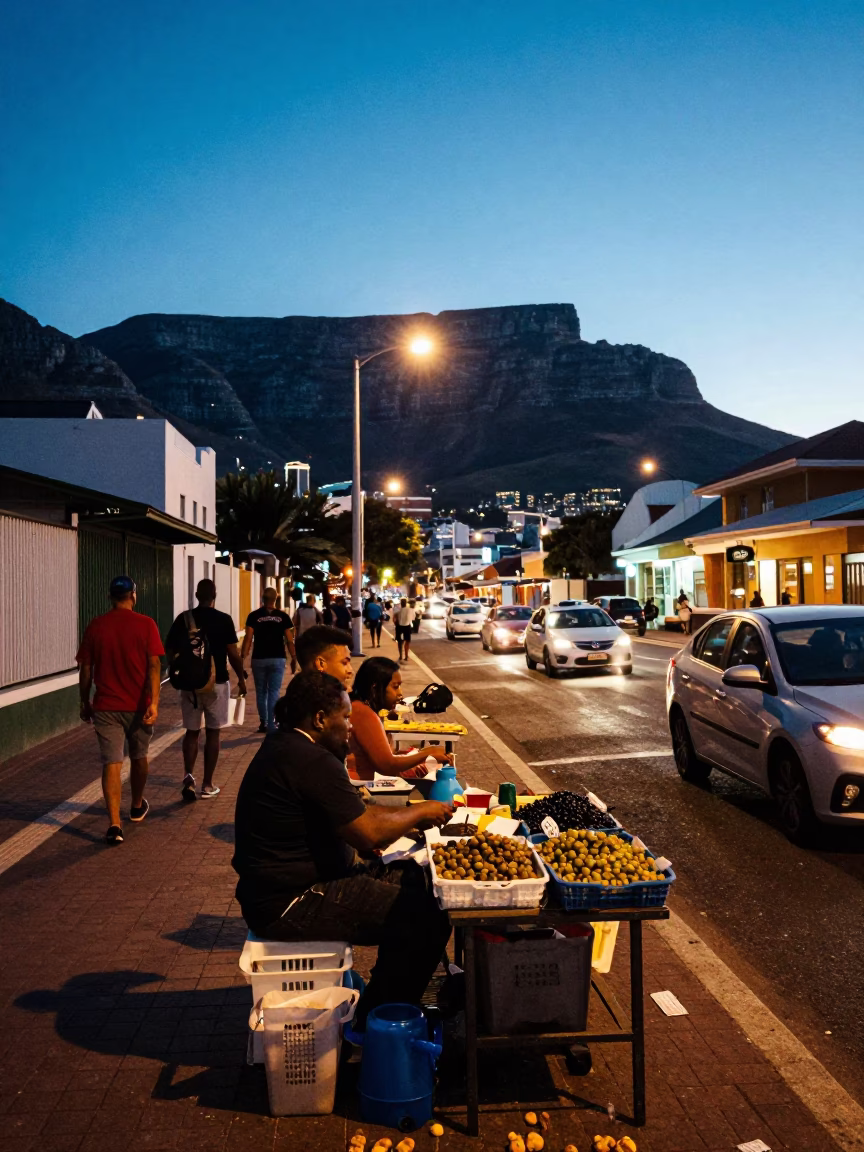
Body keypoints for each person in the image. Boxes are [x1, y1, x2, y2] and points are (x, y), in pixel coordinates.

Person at [232, 670, 453, 1027]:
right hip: (290, 900)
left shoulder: (289, 745)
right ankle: (379, 1020)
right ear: (320, 719)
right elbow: (367, 834)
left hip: (294, 886)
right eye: (345, 717)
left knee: (417, 879)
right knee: (425, 916)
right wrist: (421, 811)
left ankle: (387, 995)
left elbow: (357, 816)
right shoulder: (310, 759)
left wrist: (405, 821)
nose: (350, 727)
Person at [77, 576, 164, 845]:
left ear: (110, 597)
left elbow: (86, 669)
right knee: (139, 756)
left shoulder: (96, 626)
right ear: (133, 596)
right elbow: (154, 666)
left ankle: (114, 824)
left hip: (106, 706)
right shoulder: (147, 625)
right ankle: (136, 805)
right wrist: (154, 702)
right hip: (138, 706)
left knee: (112, 763)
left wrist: (84, 701)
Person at [166, 579, 246, 801]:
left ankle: (188, 778)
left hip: (190, 685)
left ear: (196, 595)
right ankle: (208, 784)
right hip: (217, 683)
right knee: (213, 733)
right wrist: (241, 678)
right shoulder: (224, 619)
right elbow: (233, 654)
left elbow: (169, 648)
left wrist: (178, 668)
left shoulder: (184, 619)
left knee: (192, 733)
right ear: (214, 596)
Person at [347, 656, 452, 780]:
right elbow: (387, 765)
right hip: (362, 785)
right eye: (395, 687)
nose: (400, 694)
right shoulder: (363, 713)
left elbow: (383, 756)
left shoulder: (361, 708)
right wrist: (428, 753)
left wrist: (417, 755)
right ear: (374, 688)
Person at [242, 587, 296, 733]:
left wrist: (243, 657)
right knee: (274, 691)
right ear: (276, 599)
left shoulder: (253, 616)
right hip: (278, 658)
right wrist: (294, 657)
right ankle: (272, 724)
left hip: (259, 658)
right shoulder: (283, 617)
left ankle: (263, 722)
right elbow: (289, 640)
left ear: (262, 599)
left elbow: (248, 638)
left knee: (261, 691)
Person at [395, 597, 416, 661]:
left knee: (400, 642)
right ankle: (406, 656)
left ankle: (401, 656)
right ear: (406, 603)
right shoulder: (410, 610)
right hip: (407, 627)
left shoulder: (398, 611)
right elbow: (413, 618)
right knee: (407, 642)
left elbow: (395, 619)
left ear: (401, 603)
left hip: (399, 627)